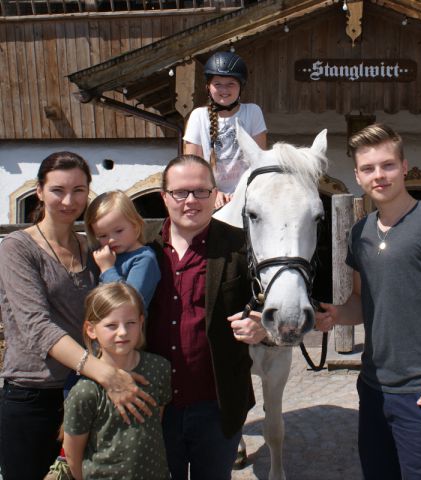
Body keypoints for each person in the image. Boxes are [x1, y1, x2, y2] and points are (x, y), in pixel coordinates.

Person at [315, 124, 421, 479]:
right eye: (368, 168)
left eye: (387, 165)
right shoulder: (359, 233)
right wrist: (333, 315)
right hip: (374, 388)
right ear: (357, 176)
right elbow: (362, 302)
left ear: (404, 167)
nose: (379, 175)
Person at [0, 152, 154, 480]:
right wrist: (105, 373)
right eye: (58, 190)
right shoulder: (17, 248)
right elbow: (36, 326)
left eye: (79, 190)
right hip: (35, 392)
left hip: (86, 389)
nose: (69, 200)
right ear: (39, 191)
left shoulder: (92, 249)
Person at [146, 154, 266, 480]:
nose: (191, 201)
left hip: (217, 406)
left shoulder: (241, 246)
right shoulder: (144, 250)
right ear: (164, 197)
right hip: (155, 408)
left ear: (214, 194)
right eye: (180, 192)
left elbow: (268, 306)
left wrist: (261, 326)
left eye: (201, 191)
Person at [63, 282, 172, 480]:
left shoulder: (159, 369)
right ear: (91, 329)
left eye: (130, 323)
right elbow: (72, 454)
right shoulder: (85, 390)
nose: (122, 332)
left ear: (141, 323)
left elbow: (157, 422)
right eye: (111, 325)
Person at [183, 50, 267, 209]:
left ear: (241, 87)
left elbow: (259, 161)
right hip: (208, 196)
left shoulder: (253, 112)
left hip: (248, 195)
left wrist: (243, 193)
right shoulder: (198, 116)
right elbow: (192, 166)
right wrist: (212, 191)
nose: (224, 89)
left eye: (230, 84)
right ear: (208, 87)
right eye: (218, 84)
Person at [84, 190, 161, 312]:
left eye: (119, 231)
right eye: (103, 236)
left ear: (135, 226)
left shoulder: (143, 259)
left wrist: (107, 269)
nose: (111, 240)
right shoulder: (107, 255)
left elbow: (130, 302)